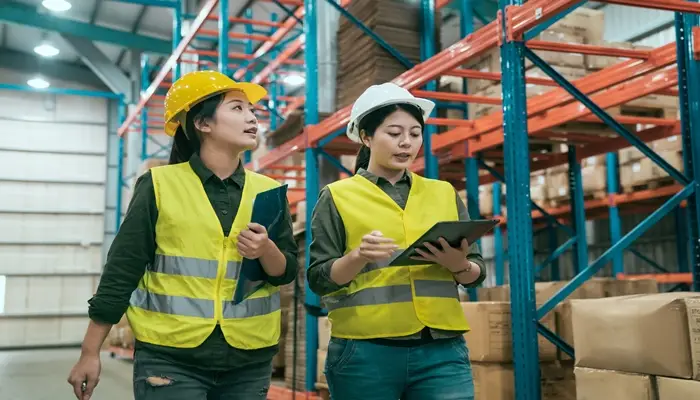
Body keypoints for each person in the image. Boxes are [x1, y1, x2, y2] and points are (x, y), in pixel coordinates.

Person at [67, 70, 298, 400]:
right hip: (170, 357)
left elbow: (285, 271)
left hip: (249, 358)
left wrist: (265, 250)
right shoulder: (159, 186)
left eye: (251, 110)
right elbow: (122, 270)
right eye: (237, 108)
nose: (251, 118)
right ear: (202, 124)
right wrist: (90, 351)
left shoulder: (270, 191)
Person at [307, 82, 486, 400]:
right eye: (394, 133)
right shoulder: (337, 196)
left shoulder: (442, 192)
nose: (406, 143)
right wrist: (357, 256)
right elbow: (319, 279)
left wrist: (459, 265)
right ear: (366, 136)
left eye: (415, 133)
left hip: (441, 350)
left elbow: (476, 273)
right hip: (365, 352)